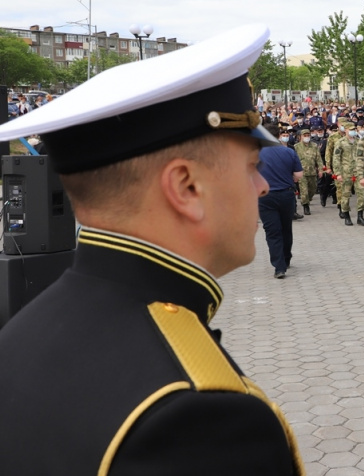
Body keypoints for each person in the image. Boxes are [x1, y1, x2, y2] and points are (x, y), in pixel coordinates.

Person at [0, 25, 304, 475]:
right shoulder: (199, 418)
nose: (262, 187)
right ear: (186, 186)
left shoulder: (21, 333)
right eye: (252, 166)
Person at [259, 124, 304, 278]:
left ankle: (279, 267)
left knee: (272, 232)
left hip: (265, 197)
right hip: (286, 195)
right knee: (286, 228)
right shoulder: (288, 152)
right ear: (279, 135)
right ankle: (286, 258)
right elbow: (299, 174)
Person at [333, 121, 359, 226]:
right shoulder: (340, 142)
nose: (353, 131)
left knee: (361, 194)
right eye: (351, 129)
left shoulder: (358, 141)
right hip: (345, 172)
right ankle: (346, 215)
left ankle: (360, 216)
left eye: (354, 129)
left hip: (358, 172)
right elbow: (336, 158)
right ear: (346, 130)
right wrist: (338, 173)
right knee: (345, 194)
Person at [293, 126, 323, 215]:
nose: (306, 137)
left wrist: (321, 169)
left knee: (313, 189)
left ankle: (307, 200)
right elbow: (294, 160)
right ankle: (305, 206)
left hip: (312, 172)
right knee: (304, 191)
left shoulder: (314, 146)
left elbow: (319, 159)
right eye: (304, 135)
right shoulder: (296, 147)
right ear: (300, 137)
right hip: (301, 173)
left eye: (308, 135)